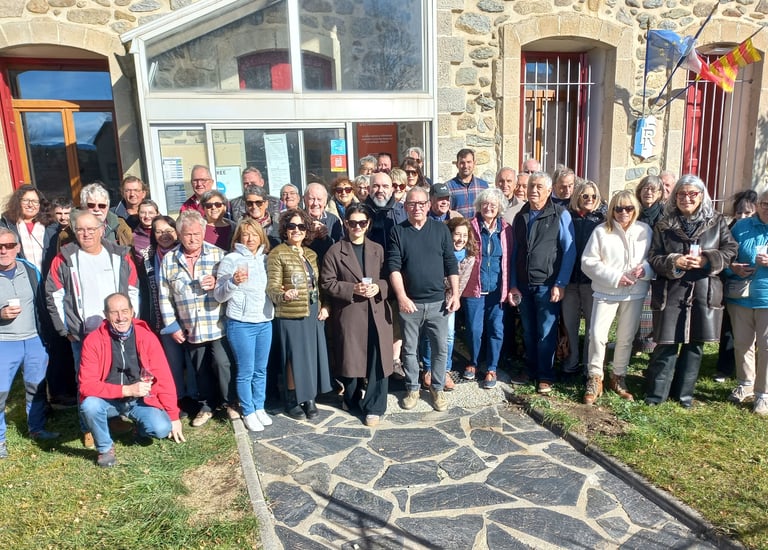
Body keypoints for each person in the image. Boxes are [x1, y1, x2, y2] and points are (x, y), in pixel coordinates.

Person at [46, 211, 139, 448]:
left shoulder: (118, 255)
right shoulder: (65, 258)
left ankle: (114, 418)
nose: (86, 234)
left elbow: (133, 289)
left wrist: (132, 319)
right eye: (80, 229)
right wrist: (65, 328)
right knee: (86, 380)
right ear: (74, 231)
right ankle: (88, 426)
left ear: (101, 229)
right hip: (83, 333)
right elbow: (53, 294)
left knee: (117, 372)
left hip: (118, 329)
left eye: (91, 229)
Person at [645, 175, 738, 407]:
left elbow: (730, 250)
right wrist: (674, 261)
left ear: (701, 195)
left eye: (692, 194)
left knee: (694, 345)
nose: (686, 198)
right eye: (681, 194)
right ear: (675, 197)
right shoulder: (664, 224)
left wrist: (707, 259)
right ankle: (656, 396)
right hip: (672, 290)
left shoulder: (716, 221)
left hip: (703, 291)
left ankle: (684, 396)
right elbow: (653, 256)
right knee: (665, 344)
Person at [79, 293, 185, 467]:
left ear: (133, 311)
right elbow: (86, 385)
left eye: (124, 311)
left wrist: (174, 416)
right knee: (89, 405)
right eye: (114, 312)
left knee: (162, 428)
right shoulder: (93, 341)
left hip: (140, 400)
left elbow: (164, 378)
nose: (121, 317)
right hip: (108, 400)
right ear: (105, 314)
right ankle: (105, 448)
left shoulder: (147, 337)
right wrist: (126, 390)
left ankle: (139, 430)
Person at [158, 210, 236, 426]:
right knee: (200, 367)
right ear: (179, 234)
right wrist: (172, 325)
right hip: (190, 325)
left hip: (217, 322)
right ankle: (207, 406)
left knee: (222, 363)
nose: (192, 238)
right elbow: (164, 295)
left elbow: (231, 288)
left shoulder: (218, 255)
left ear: (203, 232)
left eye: (196, 233)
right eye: (187, 234)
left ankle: (230, 403)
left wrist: (218, 283)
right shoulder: (169, 260)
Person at [321, 204, 394, 427]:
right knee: (351, 361)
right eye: (353, 223)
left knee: (377, 359)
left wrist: (379, 288)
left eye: (362, 223)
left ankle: (375, 407)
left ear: (368, 224)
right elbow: (326, 283)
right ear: (346, 224)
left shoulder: (377, 249)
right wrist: (352, 289)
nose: (358, 227)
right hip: (351, 313)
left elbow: (388, 278)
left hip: (376, 311)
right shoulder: (335, 251)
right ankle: (351, 400)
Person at [387, 187, 460, 411]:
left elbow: (451, 263)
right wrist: (401, 297)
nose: (417, 207)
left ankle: (437, 390)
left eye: (421, 203)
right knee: (409, 350)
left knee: (440, 349)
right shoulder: (398, 231)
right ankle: (412, 389)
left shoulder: (440, 230)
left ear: (429, 205)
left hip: (439, 303)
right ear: (405, 206)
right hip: (410, 304)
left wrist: (455, 294)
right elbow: (393, 267)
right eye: (412, 203)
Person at [581, 190, 653, 404]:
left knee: (625, 338)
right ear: (612, 209)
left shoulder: (645, 230)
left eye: (628, 208)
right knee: (596, 335)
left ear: (635, 209)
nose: (624, 212)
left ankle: (618, 376)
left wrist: (645, 270)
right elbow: (588, 262)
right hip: (607, 290)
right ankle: (595, 377)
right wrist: (615, 277)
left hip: (635, 292)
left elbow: (653, 258)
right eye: (618, 208)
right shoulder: (601, 231)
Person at [508, 171, 576, 394]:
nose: (534, 190)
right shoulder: (521, 215)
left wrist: (561, 282)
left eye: (539, 187)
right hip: (525, 285)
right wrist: (514, 283)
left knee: (546, 332)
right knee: (528, 331)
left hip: (548, 284)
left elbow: (569, 250)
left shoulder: (560, 215)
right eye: (531, 187)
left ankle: (546, 375)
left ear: (549, 191)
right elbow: (515, 251)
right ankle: (531, 369)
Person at [0, 228, 59, 460]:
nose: (3, 251)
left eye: (8, 245)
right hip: (4, 342)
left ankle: (37, 428)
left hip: (34, 338)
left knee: (36, 388)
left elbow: (43, 301)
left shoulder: (29, 269)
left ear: (17, 247)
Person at [267, 209, 331, 420]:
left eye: (301, 227)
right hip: (290, 313)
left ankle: (309, 397)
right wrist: (283, 295)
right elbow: (272, 288)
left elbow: (319, 286)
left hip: (312, 311)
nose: (296, 230)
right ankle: (292, 398)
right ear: (285, 229)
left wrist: (324, 306)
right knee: (293, 358)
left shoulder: (311, 254)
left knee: (310, 356)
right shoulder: (277, 254)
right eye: (292, 226)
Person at [214, 219, 274, 432]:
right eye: (245, 235)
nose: (250, 239)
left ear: (261, 237)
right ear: (238, 237)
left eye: (254, 234)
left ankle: (259, 407)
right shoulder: (230, 260)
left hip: (265, 321)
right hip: (241, 323)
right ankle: (247, 411)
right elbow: (219, 295)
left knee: (261, 370)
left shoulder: (267, 259)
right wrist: (233, 282)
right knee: (246, 370)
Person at [139, 216, 197, 411]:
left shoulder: (186, 252)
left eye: (168, 230)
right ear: (153, 235)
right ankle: (177, 398)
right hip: (161, 318)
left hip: (189, 316)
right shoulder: (146, 256)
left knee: (191, 359)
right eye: (158, 231)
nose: (164, 235)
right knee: (172, 362)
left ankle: (195, 397)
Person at [722, 190, 768, 413]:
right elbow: (727, 255)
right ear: (757, 204)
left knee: (766, 346)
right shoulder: (741, 227)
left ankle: (763, 394)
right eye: (764, 203)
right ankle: (745, 384)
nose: (767, 207)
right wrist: (733, 267)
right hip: (741, 296)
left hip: (766, 297)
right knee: (742, 343)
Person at [461, 188, 512, 389]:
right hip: (475, 287)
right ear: (479, 206)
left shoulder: (506, 229)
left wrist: (511, 288)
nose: (488, 207)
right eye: (485, 204)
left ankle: (492, 368)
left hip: (498, 289)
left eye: (493, 204)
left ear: (499, 207)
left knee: (496, 330)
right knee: (474, 329)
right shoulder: (471, 227)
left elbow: (510, 259)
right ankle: (473, 362)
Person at [422, 217, 476, 391]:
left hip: (452, 299)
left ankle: (445, 370)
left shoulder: (469, 257)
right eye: (457, 234)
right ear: (449, 234)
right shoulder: (438, 251)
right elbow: (436, 278)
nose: (460, 239)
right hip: (434, 297)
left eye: (464, 235)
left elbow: (462, 282)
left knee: (449, 336)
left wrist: (454, 297)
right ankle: (429, 370)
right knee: (430, 336)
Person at [560, 181, 606, 375]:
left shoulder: (602, 219)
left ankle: (589, 367)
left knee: (591, 326)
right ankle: (571, 362)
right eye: (585, 196)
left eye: (593, 196)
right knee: (570, 324)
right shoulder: (567, 216)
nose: (589, 200)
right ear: (577, 196)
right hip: (570, 280)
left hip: (591, 282)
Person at [715, 189, 759, 382]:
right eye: (739, 212)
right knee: (729, 329)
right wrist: (733, 269)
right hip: (733, 288)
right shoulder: (730, 230)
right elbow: (722, 259)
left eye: (747, 213)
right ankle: (724, 367)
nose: (742, 216)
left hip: (758, 291)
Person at [633, 175, 666, 357]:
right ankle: (635, 342)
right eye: (646, 188)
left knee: (651, 309)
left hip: (656, 266)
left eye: (654, 189)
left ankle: (650, 345)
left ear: (660, 193)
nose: (649, 192)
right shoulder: (633, 210)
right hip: (635, 265)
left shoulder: (664, 214)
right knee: (635, 309)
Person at [0, 184, 59, 275]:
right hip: (23, 278)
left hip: (50, 278)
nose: (30, 205)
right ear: (18, 202)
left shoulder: (51, 226)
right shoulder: (6, 225)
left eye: (35, 201)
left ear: (40, 204)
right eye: (26, 200)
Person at [58, 183, 133, 249]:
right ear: (83, 207)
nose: (97, 209)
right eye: (91, 205)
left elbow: (130, 260)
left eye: (102, 205)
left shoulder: (121, 227)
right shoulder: (66, 235)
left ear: (107, 207)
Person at [303, 182, 342, 262]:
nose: (315, 203)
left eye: (319, 199)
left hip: (328, 266)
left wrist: (325, 237)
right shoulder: (298, 219)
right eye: (311, 199)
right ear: (304, 200)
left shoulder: (334, 220)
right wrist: (310, 234)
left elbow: (339, 247)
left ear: (325, 202)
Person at [447, 148, 489, 218]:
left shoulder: (483, 186)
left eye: (469, 162)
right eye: (462, 163)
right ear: (457, 164)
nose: (465, 166)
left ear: (474, 163)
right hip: (457, 227)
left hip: (478, 228)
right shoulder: (448, 186)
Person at [131, 199, 160, 268]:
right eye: (143, 212)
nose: (147, 216)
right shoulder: (133, 237)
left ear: (157, 214)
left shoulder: (165, 233)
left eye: (151, 213)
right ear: (138, 214)